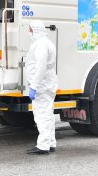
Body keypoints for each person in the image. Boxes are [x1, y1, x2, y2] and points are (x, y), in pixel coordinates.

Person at [24, 20, 58, 155]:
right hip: (47, 84)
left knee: (41, 115)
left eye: (30, 29)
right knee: (48, 114)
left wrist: (34, 86)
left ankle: (43, 146)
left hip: (42, 86)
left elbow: (40, 66)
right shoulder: (46, 42)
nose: (29, 32)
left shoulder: (40, 44)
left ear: (34, 30)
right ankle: (50, 142)